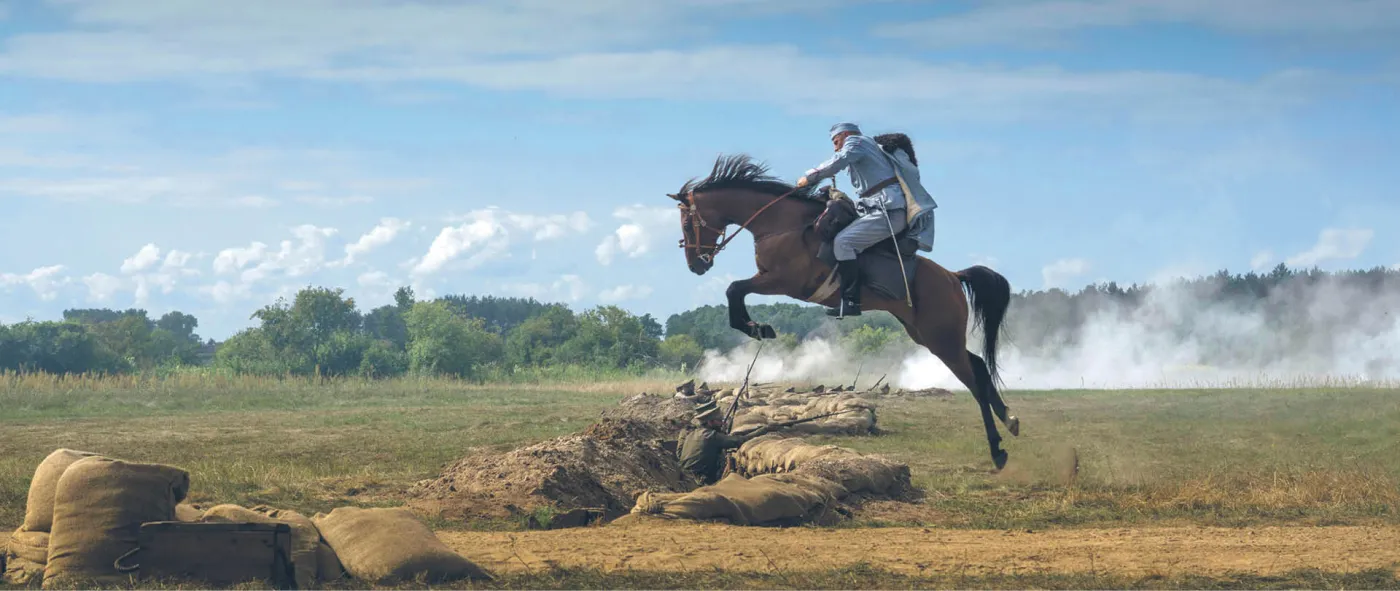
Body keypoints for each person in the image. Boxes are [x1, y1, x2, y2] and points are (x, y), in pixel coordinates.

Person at [796, 123, 938, 317]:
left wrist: (809, 177)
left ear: (846, 134)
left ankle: (851, 302)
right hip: (877, 208)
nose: (836, 147)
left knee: (844, 242)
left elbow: (840, 159)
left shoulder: (857, 141)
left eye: (836, 142)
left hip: (887, 210)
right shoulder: (865, 146)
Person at [675, 405, 780, 485]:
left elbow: (734, 437)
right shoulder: (711, 436)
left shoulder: (693, 433)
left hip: (686, 477)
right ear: (710, 422)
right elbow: (739, 441)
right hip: (700, 481)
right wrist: (765, 430)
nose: (723, 423)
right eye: (719, 421)